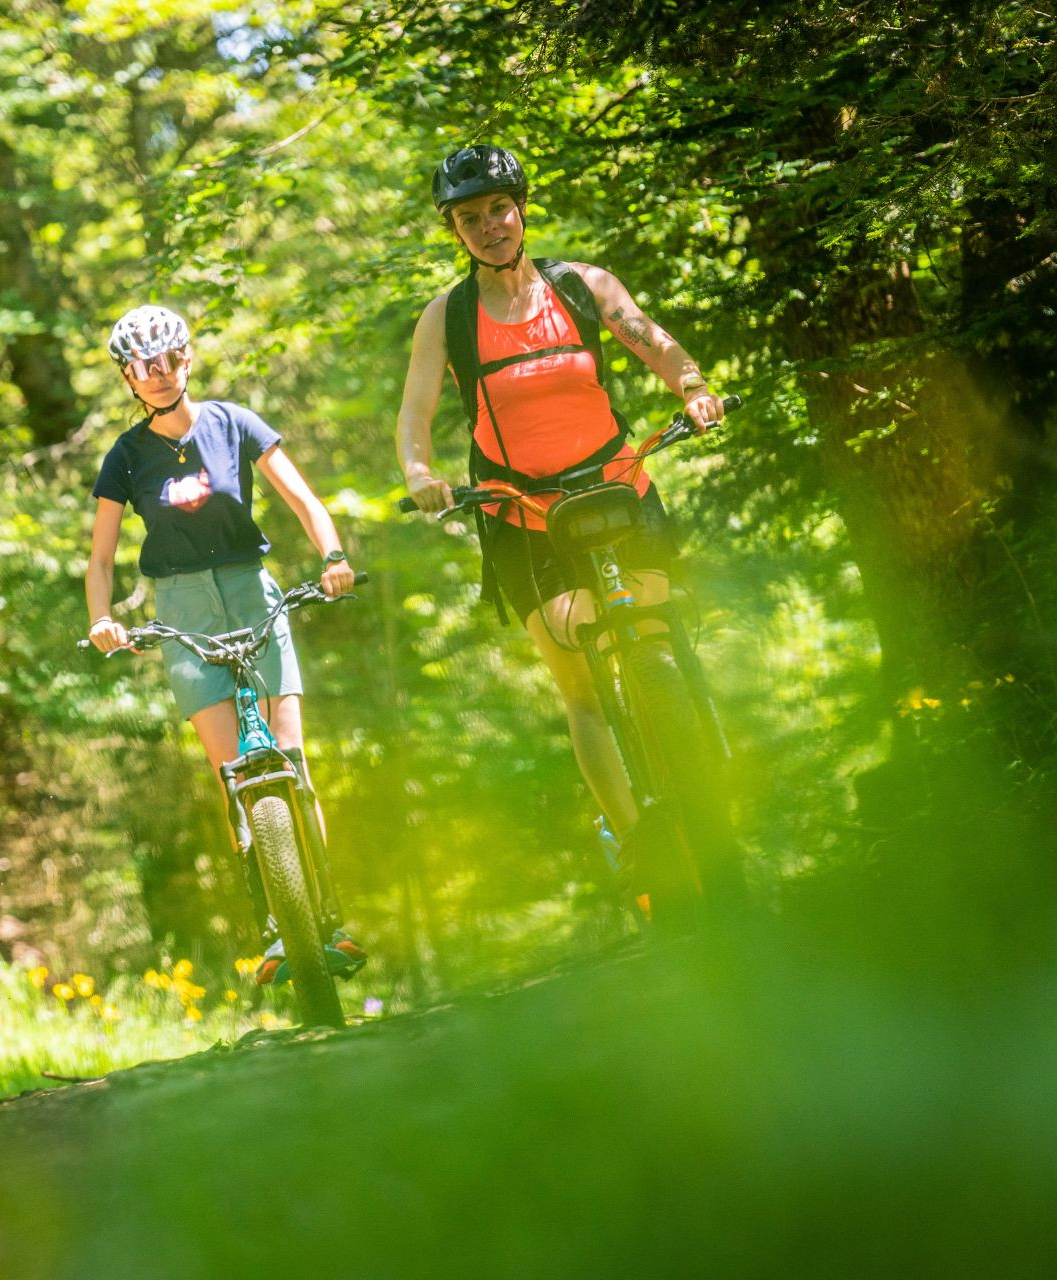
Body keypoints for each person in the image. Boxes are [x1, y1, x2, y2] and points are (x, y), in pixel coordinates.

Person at [394, 144, 727, 858]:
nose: (489, 227)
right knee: (577, 680)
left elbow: (656, 344)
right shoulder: (447, 318)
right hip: (519, 510)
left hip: (617, 485)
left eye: (498, 209)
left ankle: (701, 762)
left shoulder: (582, 285)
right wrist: (421, 473)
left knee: (658, 631)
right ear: (455, 230)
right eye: (470, 218)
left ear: (520, 207)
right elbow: (414, 415)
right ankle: (636, 839)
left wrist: (693, 390)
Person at [84, 304, 365, 985]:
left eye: (168, 361)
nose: (157, 376)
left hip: (250, 589)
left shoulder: (233, 422)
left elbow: (303, 498)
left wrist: (331, 555)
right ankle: (277, 930)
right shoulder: (125, 456)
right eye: (142, 367)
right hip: (181, 605)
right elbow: (101, 558)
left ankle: (327, 920)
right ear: (127, 376)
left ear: (188, 359)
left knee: (290, 759)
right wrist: (102, 619)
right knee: (233, 773)